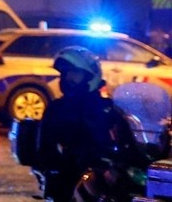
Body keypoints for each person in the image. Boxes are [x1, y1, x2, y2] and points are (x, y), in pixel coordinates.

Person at [34, 46, 147, 201]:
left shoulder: (108, 107)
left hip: (106, 174)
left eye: (74, 73)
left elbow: (129, 136)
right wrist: (62, 162)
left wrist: (147, 149)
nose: (68, 79)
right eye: (65, 74)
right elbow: (46, 150)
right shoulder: (57, 109)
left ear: (90, 76)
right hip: (71, 176)